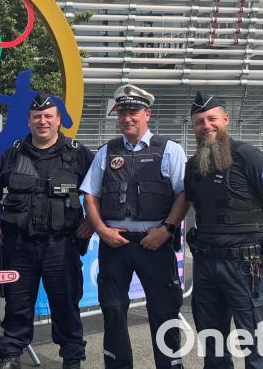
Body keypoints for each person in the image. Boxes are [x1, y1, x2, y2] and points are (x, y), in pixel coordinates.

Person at [0, 92, 94, 369]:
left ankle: (72, 357)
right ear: (29, 121)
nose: (42, 121)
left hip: (61, 245)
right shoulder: (13, 153)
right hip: (19, 245)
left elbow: (99, 190)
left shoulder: (78, 154)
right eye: (36, 117)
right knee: (18, 302)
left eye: (48, 116)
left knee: (65, 303)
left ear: (58, 120)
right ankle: (10, 354)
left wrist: (92, 220)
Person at [80, 84, 188, 369]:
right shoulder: (107, 151)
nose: (127, 118)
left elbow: (183, 194)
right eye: (122, 112)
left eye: (133, 112)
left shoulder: (170, 150)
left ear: (147, 114)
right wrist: (102, 230)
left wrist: (166, 229)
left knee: (164, 309)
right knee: (113, 308)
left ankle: (170, 365)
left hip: (155, 241)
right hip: (115, 242)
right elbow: (90, 195)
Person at [185, 92, 263, 369]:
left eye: (211, 118)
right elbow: (196, 205)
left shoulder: (248, 156)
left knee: (256, 343)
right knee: (212, 342)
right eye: (198, 121)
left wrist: (258, 237)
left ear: (225, 120)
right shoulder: (192, 166)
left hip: (245, 265)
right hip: (206, 264)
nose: (205, 125)